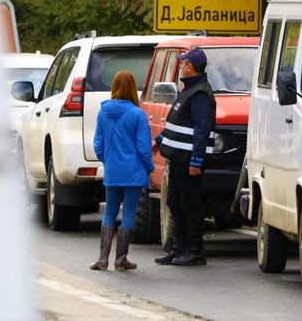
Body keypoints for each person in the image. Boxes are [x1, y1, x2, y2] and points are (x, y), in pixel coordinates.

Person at [153, 48, 216, 266]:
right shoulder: (187, 90)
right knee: (175, 203)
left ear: (190, 67)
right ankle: (177, 249)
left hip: (188, 160)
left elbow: (201, 129)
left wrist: (196, 161)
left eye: (182, 62)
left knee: (190, 205)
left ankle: (195, 251)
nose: (180, 65)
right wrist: (159, 140)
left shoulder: (200, 94)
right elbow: (177, 125)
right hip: (177, 158)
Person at [90, 70, 154, 271]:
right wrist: (149, 167)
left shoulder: (103, 112)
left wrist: (107, 160)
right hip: (134, 171)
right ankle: (121, 259)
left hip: (113, 170)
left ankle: (102, 259)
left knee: (109, 211)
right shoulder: (137, 114)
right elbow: (144, 147)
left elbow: (98, 143)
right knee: (128, 213)